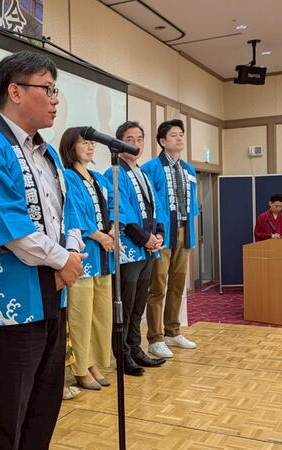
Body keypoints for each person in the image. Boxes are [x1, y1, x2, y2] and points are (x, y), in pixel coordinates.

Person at [0, 50, 86, 450]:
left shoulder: (47, 155)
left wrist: (72, 254)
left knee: (44, 404)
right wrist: (64, 260)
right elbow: (7, 226)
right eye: (47, 88)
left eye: (54, 89)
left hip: (53, 295)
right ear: (15, 91)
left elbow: (70, 215)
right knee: (8, 410)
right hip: (9, 302)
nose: (55, 99)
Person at [105, 121, 167, 377]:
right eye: (130, 138)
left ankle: (136, 347)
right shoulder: (114, 172)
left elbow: (157, 207)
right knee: (126, 304)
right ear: (119, 143)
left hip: (147, 249)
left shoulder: (142, 172)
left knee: (140, 302)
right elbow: (122, 212)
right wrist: (145, 238)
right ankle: (124, 355)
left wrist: (160, 234)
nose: (136, 143)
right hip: (130, 248)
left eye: (140, 138)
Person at [59, 127, 114, 390]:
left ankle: (94, 362)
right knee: (81, 315)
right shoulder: (67, 177)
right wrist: (97, 234)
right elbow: (71, 214)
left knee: (101, 314)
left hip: (105, 256)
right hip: (84, 254)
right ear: (71, 147)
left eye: (92, 143)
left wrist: (113, 228)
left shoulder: (98, 178)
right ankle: (81, 367)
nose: (90, 147)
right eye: (84, 143)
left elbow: (112, 207)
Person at [142, 119, 200, 358]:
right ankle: (155, 338)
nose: (179, 138)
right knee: (158, 286)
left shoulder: (189, 169)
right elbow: (147, 204)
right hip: (162, 233)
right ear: (163, 142)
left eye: (181, 134)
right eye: (173, 135)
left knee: (178, 285)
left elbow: (193, 204)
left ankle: (172, 331)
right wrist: (154, 232)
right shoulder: (151, 168)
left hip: (185, 231)